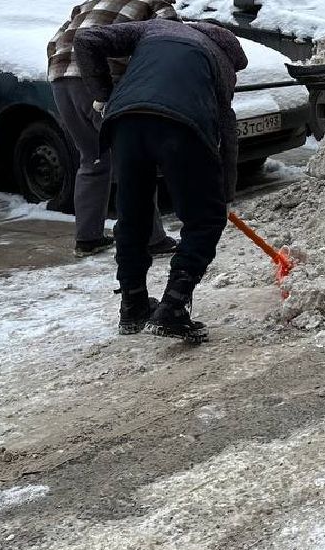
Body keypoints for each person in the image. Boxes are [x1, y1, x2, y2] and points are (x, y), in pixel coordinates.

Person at [73, 18, 248, 344]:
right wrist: (223, 193)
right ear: (229, 49)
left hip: (124, 122)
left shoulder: (153, 28)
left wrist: (105, 95)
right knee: (204, 219)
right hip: (180, 125)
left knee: (133, 216)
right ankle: (173, 306)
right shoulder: (220, 60)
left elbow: (86, 40)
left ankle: (133, 304)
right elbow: (226, 126)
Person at [46, 0, 182, 257]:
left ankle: (88, 238)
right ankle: (152, 239)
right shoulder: (156, 5)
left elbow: (56, 40)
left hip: (59, 79)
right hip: (98, 83)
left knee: (92, 160)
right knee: (135, 161)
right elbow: (170, 48)